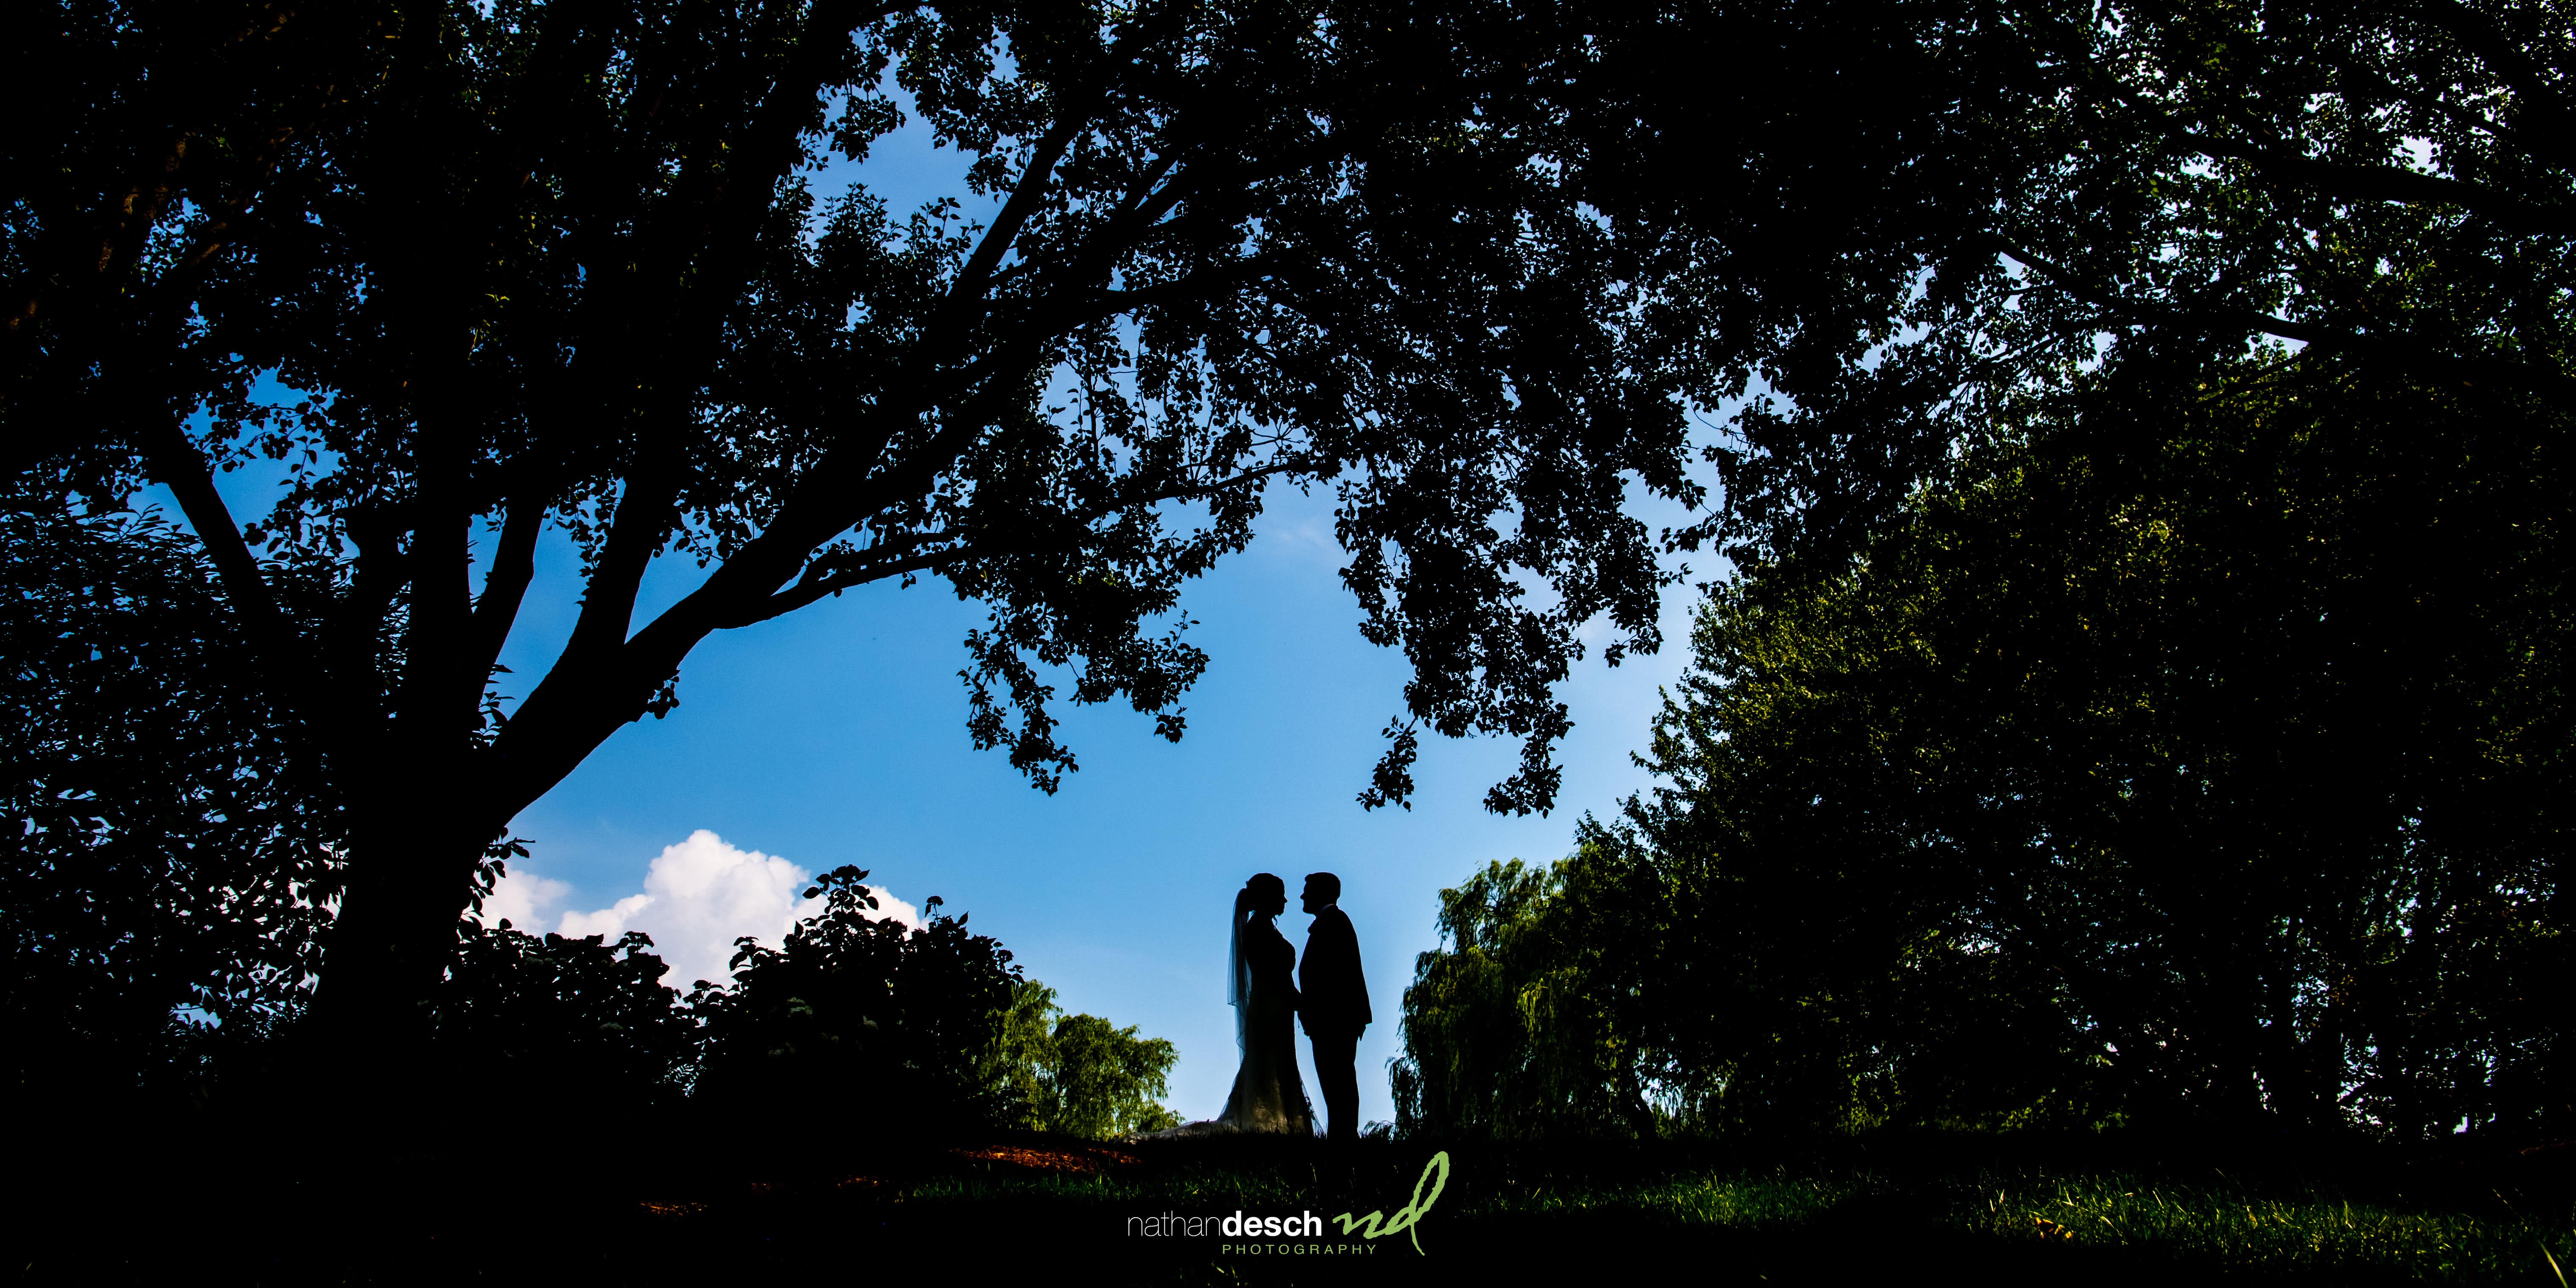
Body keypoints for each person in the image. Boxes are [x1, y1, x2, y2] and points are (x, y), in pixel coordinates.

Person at [1211, 872, 1313, 1134]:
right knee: (1268, 1064)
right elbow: (1274, 976)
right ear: (1269, 898)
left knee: (1278, 1064)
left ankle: (1282, 1123)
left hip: (1276, 1009)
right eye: (1281, 895)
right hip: (1269, 1009)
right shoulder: (1257, 930)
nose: (1287, 900)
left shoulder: (1263, 928)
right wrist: (1302, 1003)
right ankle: (1269, 1125)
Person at [1298, 871, 1370, 1142]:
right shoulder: (1329, 922)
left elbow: (1336, 977)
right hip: (1332, 1021)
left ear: (1322, 893)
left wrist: (1317, 1014)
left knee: (1338, 1082)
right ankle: (1341, 1137)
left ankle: (1343, 1139)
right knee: (1335, 1082)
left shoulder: (1334, 922)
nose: (1303, 896)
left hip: (1335, 1021)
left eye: (1307, 890)